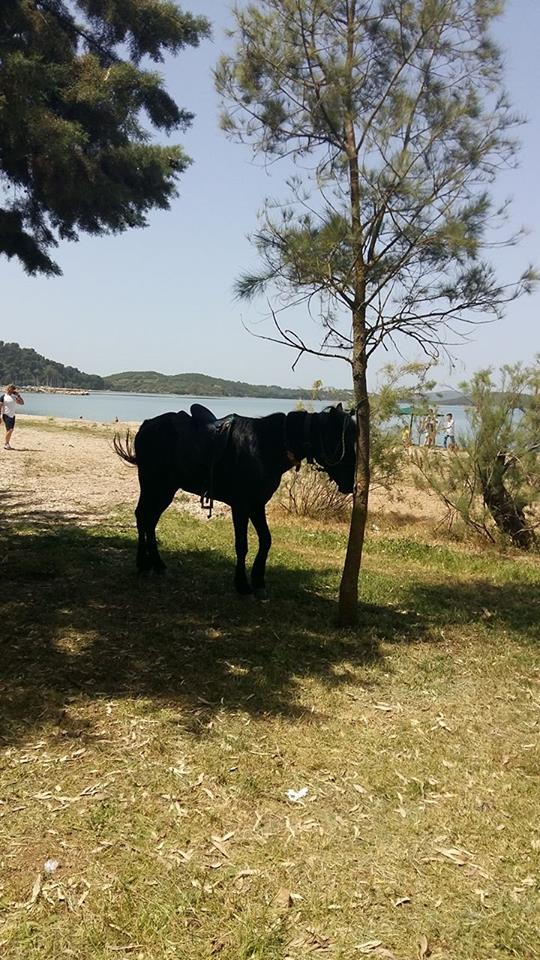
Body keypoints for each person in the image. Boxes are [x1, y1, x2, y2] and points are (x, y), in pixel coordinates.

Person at [1, 384, 24, 450]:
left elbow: (22, 403)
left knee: (10, 430)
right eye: (11, 389)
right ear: (8, 389)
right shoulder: (3, 397)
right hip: (6, 415)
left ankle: (7, 443)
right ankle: (6, 444)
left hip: (12, 415)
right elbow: (0, 406)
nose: (12, 390)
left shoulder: (14, 397)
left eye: (13, 389)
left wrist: (18, 396)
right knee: (10, 430)